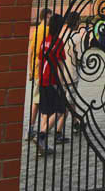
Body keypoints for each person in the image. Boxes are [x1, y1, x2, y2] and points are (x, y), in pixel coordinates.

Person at [36, 12, 67, 151]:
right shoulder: (58, 42)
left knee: (45, 111)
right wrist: (62, 85)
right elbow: (60, 66)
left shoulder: (44, 41)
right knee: (60, 110)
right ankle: (42, 135)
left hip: (42, 80)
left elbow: (39, 61)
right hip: (52, 80)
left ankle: (42, 144)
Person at [28, 7, 52, 140]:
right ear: (45, 17)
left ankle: (31, 127)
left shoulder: (36, 29)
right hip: (42, 70)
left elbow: (30, 51)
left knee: (37, 101)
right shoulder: (47, 30)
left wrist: (30, 70)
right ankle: (41, 132)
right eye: (49, 17)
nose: (50, 20)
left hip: (35, 69)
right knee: (43, 102)